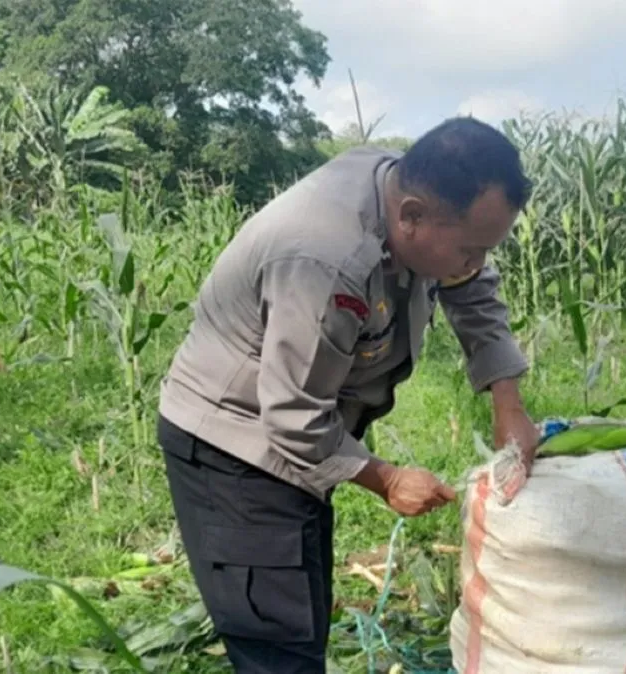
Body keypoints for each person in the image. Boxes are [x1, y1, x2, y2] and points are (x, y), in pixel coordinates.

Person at [154, 116, 541, 673]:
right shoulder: (325, 259)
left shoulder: (408, 193)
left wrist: (509, 404)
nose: (476, 265)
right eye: (470, 249)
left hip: (298, 433)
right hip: (236, 445)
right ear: (411, 216)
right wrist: (388, 479)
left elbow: (470, 288)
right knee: (279, 644)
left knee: (301, 617)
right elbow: (293, 414)